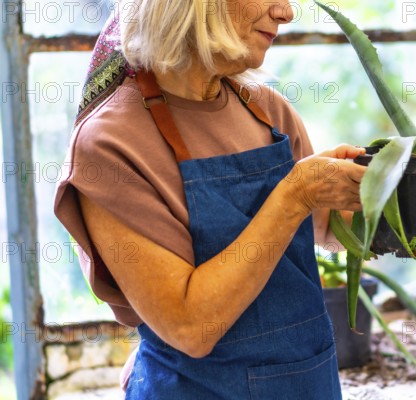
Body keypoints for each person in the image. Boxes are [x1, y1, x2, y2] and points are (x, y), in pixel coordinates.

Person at [54, 0, 367, 398]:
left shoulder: (266, 111)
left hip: (308, 383)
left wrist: (395, 192)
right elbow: (189, 326)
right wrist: (295, 195)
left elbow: (329, 229)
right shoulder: (110, 146)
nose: (286, 12)